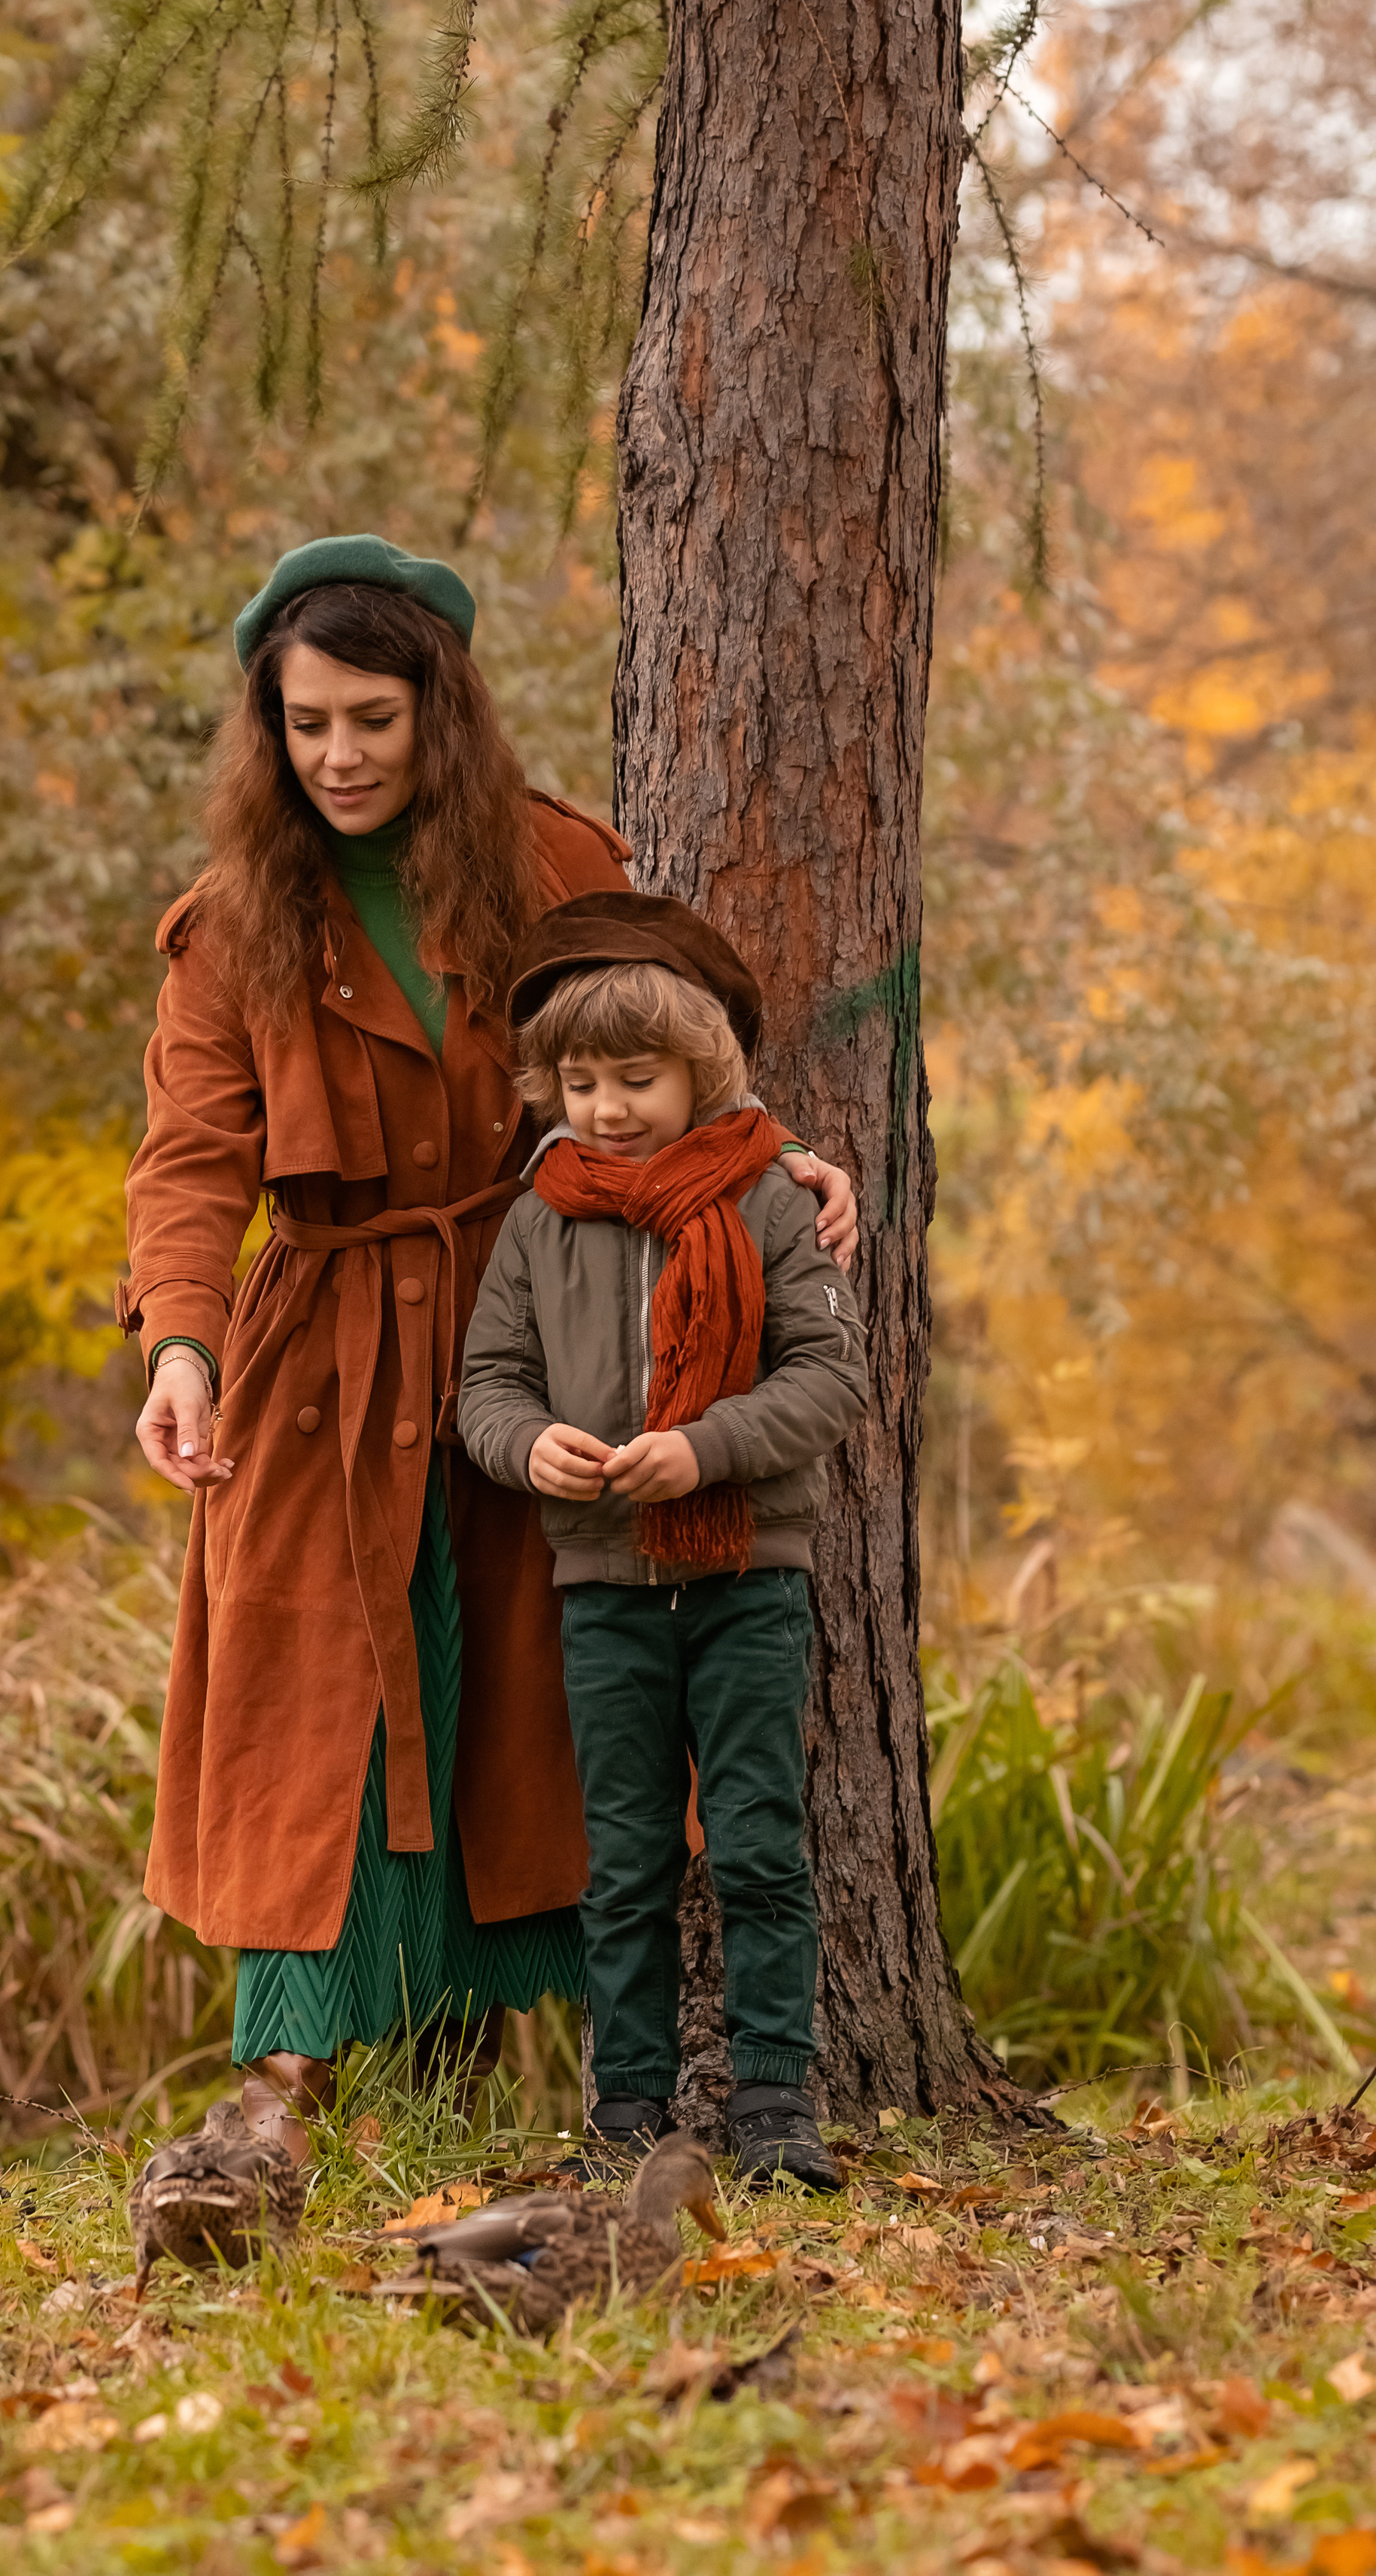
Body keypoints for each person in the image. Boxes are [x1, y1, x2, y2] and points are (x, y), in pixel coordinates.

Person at [122, 536, 859, 2159]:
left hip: (547, 1325)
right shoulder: (232, 925)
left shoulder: (553, 864)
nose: (339, 756)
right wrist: (180, 1347)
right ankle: (283, 2093)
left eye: (372, 719)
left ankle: (463, 2067)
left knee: (522, 1701)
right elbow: (190, 1161)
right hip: (320, 1365)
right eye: (306, 724)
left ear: (437, 710)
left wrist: (776, 1161)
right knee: (315, 1705)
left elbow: (662, 1053)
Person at [457, 892, 868, 2189]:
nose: (609, 1109)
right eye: (581, 1084)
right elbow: (488, 1384)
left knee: (756, 1843)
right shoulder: (541, 1220)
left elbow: (830, 1377)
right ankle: (626, 2109)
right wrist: (529, 1445)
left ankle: (775, 2101)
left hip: (747, 1576)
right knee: (626, 1856)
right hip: (606, 1584)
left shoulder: (770, 1203)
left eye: (638, 1080)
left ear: (701, 1072)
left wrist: (707, 1448)